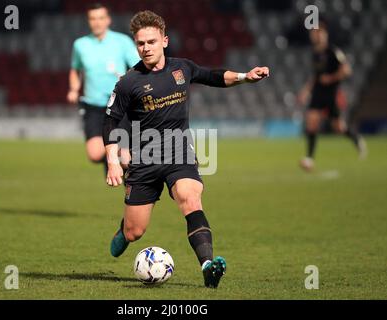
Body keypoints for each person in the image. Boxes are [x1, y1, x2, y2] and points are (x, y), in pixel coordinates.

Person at [102, 10, 269, 288]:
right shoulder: (128, 82)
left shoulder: (182, 68)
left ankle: (207, 265)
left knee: (191, 199)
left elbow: (213, 76)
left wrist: (245, 76)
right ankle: (124, 230)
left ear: (164, 41)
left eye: (151, 42)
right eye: (141, 43)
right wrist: (113, 159)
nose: (146, 48)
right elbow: (110, 120)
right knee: (135, 231)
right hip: (144, 160)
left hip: (179, 153)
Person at [67, 3, 139, 174]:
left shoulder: (122, 41)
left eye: (101, 18)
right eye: (93, 18)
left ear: (108, 20)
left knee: (126, 161)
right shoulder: (80, 45)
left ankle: (131, 179)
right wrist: (74, 89)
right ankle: (111, 157)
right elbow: (75, 69)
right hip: (94, 106)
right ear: (89, 21)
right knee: (94, 154)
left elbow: (138, 66)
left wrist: (128, 78)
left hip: (119, 104)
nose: (97, 22)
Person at [297, 21, 367, 171]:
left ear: (325, 35)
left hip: (331, 94)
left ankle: (356, 139)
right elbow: (316, 77)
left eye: (319, 34)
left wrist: (331, 78)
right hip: (317, 93)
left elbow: (347, 70)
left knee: (338, 127)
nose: (317, 37)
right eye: (315, 34)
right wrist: (306, 90)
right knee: (312, 121)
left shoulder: (333, 52)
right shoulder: (315, 54)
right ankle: (309, 158)